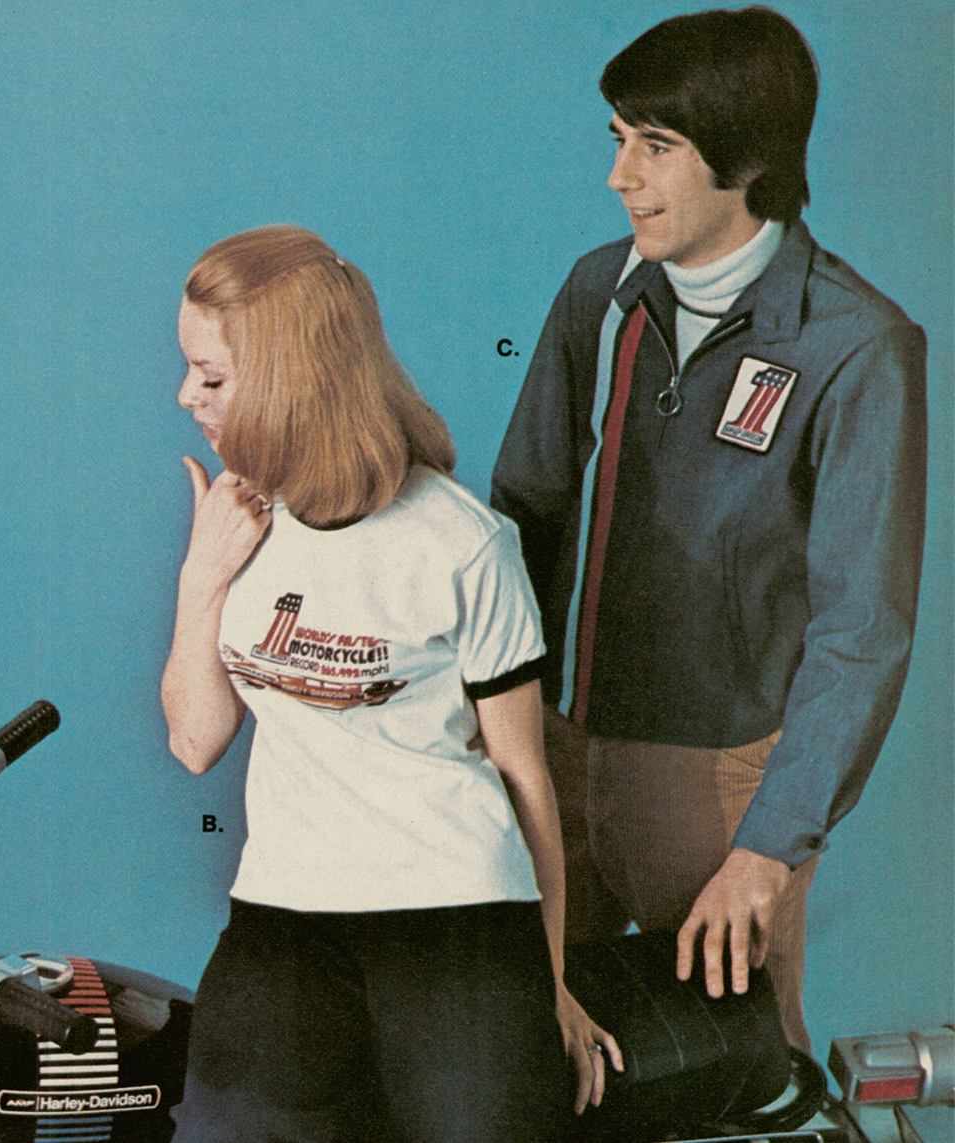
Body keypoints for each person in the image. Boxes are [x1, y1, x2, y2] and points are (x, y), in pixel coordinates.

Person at [490, 6, 926, 1053]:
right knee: (529, 1066)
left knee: (732, 1079)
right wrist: (496, 724)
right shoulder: (601, 293)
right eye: (616, 140)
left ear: (747, 155)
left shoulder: (857, 347)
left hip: (721, 789)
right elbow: (524, 511)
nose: (620, 178)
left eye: (656, 147)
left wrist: (766, 848)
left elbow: (859, 628)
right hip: (555, 754)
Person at [161, 225, 621, 1143]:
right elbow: (195, 740)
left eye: (212, 377)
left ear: (295, 374)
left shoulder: (462, 542)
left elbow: (526, 777)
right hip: (286, 910)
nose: (186, 396)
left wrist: (550, 978)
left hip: (455, 914)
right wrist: (201, 576)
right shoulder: (241, 519)